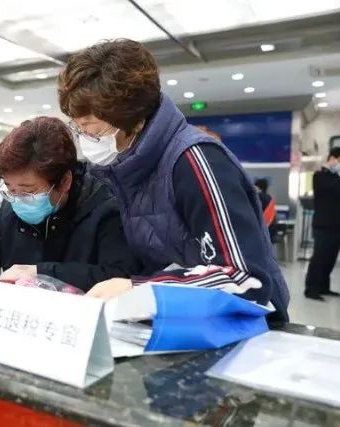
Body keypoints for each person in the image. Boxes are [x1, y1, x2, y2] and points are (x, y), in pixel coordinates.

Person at [57, 39, 289, 321]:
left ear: (135, 119)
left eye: (92, 131)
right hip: (179, 319)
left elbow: (244, 279)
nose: (86, 140)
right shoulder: (127, 168)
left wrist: (138, 288)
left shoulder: (196, 160)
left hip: (240, 325)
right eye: (79, 129)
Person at [0, 117, 139, 292]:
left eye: (28, 191)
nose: (18, 198)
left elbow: (120, 276)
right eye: (10, 188)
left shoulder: (105, 205)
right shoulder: (13, 204)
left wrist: (40, 273)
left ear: (65, 182)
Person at [304, 147, 340, 300]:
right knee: (319, 258)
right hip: (323, 225)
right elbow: (333, 189)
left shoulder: (339, 177)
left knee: (330, 258)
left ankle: (324, 287)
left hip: (338, 225)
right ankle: (311, 289)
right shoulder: (320, 175)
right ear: (332, 159)